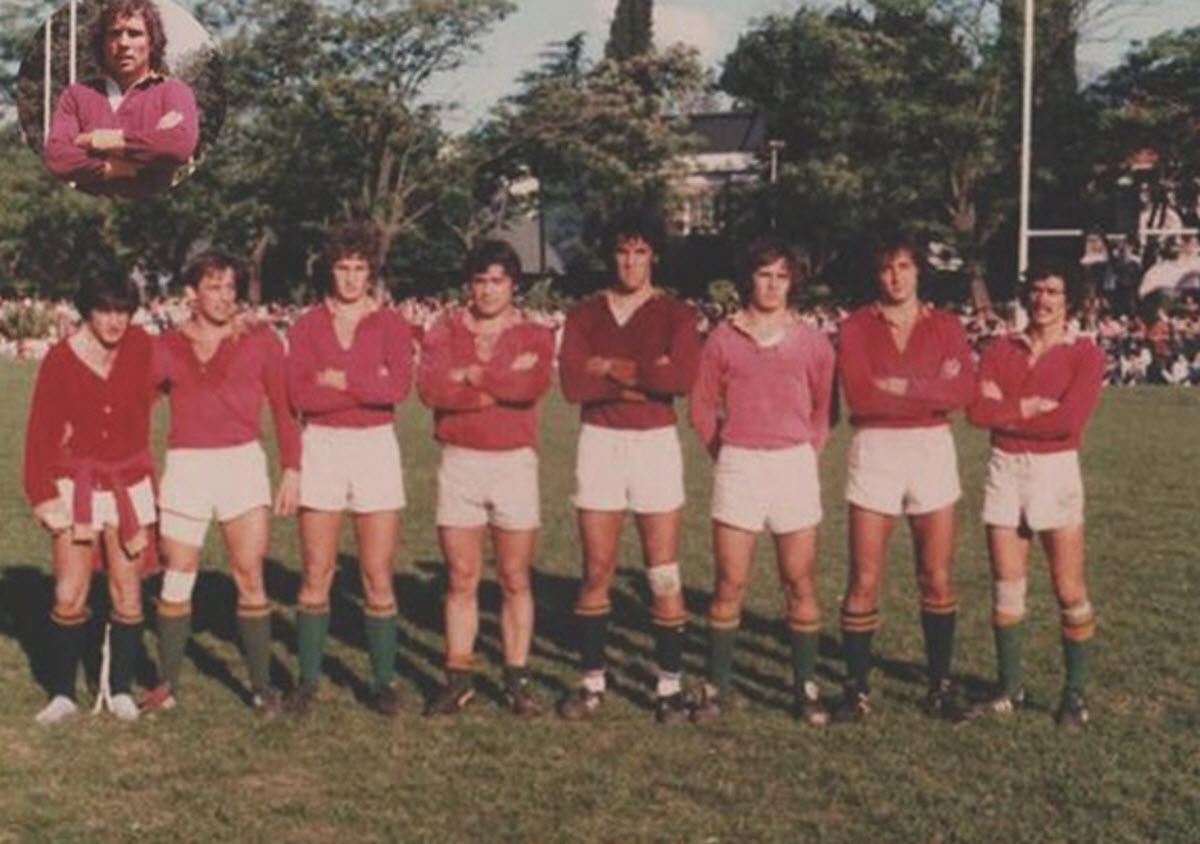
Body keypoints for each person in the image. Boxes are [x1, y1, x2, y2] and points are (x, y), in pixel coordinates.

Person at [557, 210, 701, 722]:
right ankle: (592, 680)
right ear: (610, 255)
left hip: (655, 444)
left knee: (662, 570)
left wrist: (612, 368)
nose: (631, 261)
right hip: (599, 442)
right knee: (597, 568)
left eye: (641, 252)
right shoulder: (584, 315)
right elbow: (574, 385)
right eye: (623, 251)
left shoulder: (677, 315)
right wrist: (644, 377)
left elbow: (680, 379)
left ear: (654, 256)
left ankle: (668, 685)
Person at [143, 251, 301, 713]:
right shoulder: (167, 346)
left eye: (231, 287)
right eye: (214, 287)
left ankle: (260, 686)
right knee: (177, 575)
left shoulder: (260, 340)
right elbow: (136, 408)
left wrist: (291, 468)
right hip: (187, 466)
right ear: (191, 293)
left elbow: (283, 408)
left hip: (242, 465)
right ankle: (166, 684)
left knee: (250, 574)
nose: (224, 297)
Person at [688, 237, 835, 724]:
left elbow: (824, 410)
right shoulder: (723, 338)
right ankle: (716, 686)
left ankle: (804, 687)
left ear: (792, 282)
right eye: (763, 275)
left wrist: (801, 452)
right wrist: (726, 454)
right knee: (730, 581)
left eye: (781, 276)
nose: (771, 285)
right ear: (748, 278)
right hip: (740, 465)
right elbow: (703, 408)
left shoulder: (812, 340)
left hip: (792, 464)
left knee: (800, 580)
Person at [834, 234, 975, 722]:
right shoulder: (854, 326)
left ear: (918, 272)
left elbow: (963, 390)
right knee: (864, 576)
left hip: (931, 447)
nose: (896, 277)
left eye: (904, 267)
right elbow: (861, 394)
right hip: (874, 448)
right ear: (877, 274)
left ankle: (940, 684)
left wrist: (903, 386)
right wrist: (930, 386)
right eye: (887, 268)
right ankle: (855, 689)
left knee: (935, 574)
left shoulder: (948, 325)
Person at [417, 239, 555, 717]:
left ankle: (515, 676)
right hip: (460, 460)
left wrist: (474, 376)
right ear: (469, 284)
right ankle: (458, 677)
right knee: (461, 576)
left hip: (514, 462)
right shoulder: (444, 329)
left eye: (498, 280)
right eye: (480, 280)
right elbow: (431, 388)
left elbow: (531, 386)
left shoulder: (536, 334)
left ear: (513, 284)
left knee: (515, 576)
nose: (489, 290)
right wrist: (491, 386)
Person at [966, 262, 1106, 729]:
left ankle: (1075, 693)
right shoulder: (1000, 348)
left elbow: (1068, 422)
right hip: (1005, 469)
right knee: (1008, 586)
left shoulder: (1085, 353)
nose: (1043, 300)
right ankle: (1008, 689)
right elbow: (978, 412)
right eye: (1036, 290)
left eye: (1053, 291)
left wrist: (1007, 413)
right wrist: (1025, 408)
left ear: (1068, 301)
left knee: (1068, 588)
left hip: (1055, 471)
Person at [284, 223, 412, 716]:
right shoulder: (307, 326)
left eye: (360, 268)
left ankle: (383, 681)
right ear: (329, 269)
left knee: (377, 573)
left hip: (375, 448)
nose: (352, 278)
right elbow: (302, 395)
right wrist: (365, 383)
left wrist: (342, 379)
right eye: (343, 267)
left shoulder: (392, 325)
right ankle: (308, 680)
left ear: (372, 272)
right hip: (322, 446)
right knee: (317, 569)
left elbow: (397, 388)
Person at [23, 272, 157, 724]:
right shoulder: (61, 359)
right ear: (88, 310)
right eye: (105, 310)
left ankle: (120, 688)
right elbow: (39, 433)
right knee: (69, 592)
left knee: (128, 590)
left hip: (127, 483)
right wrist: (41, 494)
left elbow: (186, 360)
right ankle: (62, 693)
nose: (115, 321)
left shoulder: (142, 347)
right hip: (75, 486)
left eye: (123, 310)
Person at [42, 0, 199, 198]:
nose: (124, 43)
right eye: (115, 33)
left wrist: (98, 140)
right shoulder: (77, 95)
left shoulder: (173, 92)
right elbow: (57, 158)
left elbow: (178, 145)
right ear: (103, 42)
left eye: (135, 34)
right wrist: (114, 168)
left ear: (152, 42)